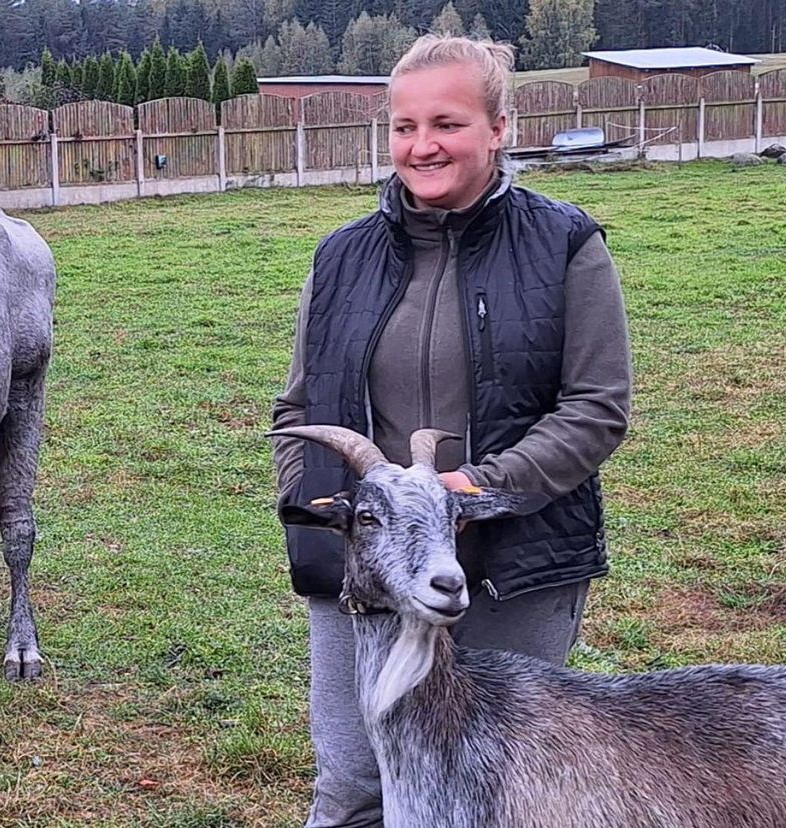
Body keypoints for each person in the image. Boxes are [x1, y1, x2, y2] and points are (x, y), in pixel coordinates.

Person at [272, 34, 631, 828]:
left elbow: (597, 408)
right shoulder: (340, 258)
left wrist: (469, 492)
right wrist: (333, 518)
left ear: (498, 128)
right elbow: (296, 412)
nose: (422, 146)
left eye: (448, 123)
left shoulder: (566, 244)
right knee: (357, 793)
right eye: (404, 127)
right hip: (365, 573)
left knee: (505, 789)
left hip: (511, 567)